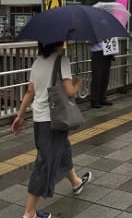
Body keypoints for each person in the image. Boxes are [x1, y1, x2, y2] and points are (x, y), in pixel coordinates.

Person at [11, 41, 91, 218]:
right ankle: (30, 212)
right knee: (45, 163)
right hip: (55, 119)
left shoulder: (37, 62)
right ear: (58, 42)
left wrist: (20, 115)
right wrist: (78, 82)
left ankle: (76, 182)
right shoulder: (62, 60)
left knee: (62, 149)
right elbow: (69, 91)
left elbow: (30, 92)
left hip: (40, 119)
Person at [90, 42, 113, 108]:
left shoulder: (107, 32)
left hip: (107, 53)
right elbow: (89, 42)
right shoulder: (93, 31)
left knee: (105, 77)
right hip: (97, 54)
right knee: (97, 78)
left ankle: (102, 98)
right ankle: (95, 100)